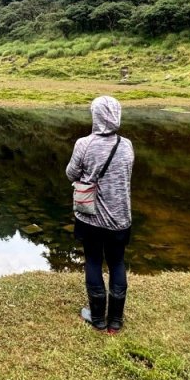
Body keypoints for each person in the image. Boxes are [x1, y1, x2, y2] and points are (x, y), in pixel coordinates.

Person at [65, 95, 134, 334]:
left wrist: (87, 176)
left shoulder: (84, 144)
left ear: (96, 116)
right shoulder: (126, 145)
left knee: (93, 261)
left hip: (90, 217)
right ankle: (115, 321)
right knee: (117, 262)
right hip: (120, 218)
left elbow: (70, 174)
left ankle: (97, 319)